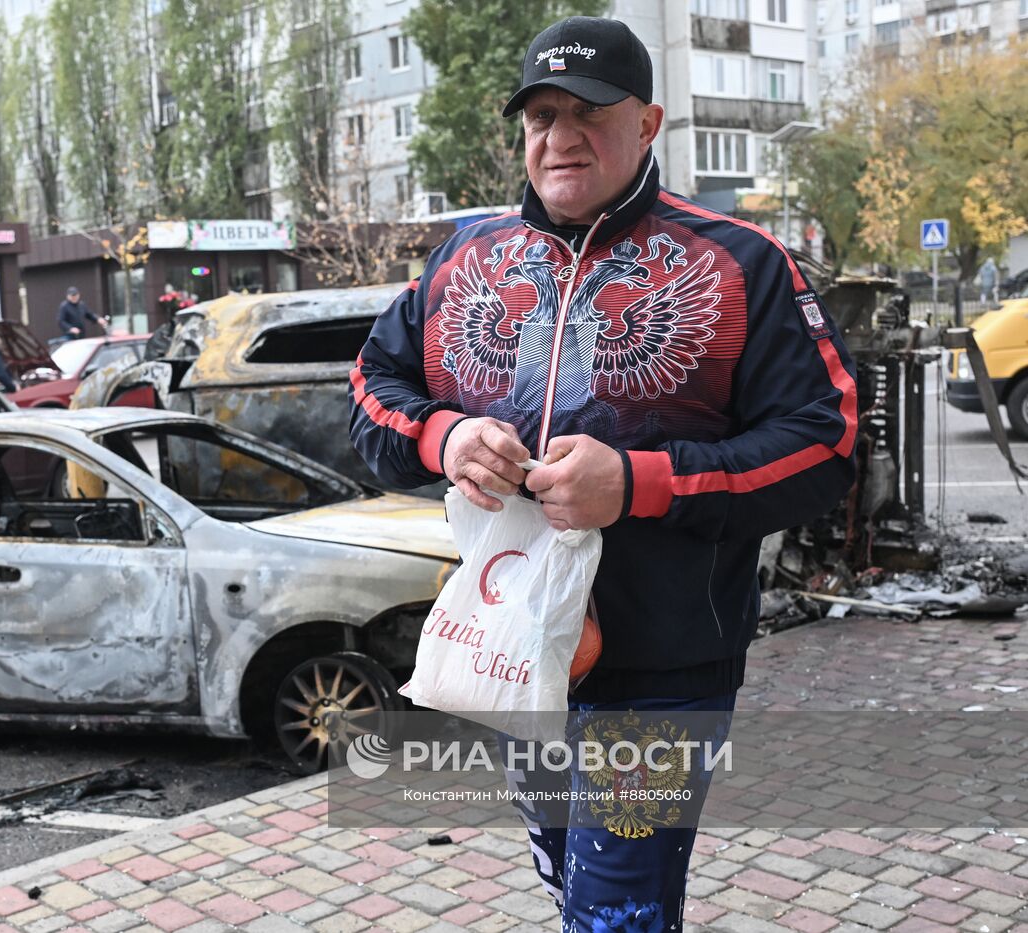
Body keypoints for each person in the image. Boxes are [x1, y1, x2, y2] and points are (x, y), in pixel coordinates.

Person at [349, 15, 857, 932]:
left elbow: (822, 445)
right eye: (542, 113)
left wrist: (639, 483)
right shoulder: (465, 259)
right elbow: (372, 389)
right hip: (516, 651)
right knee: (566, 878)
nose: (562, 134)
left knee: (614, 903)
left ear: (649, 122)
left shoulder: (742, 263)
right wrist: (444, 437)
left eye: (590, 109)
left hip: (664, 666)